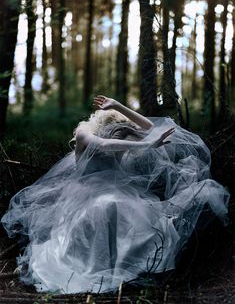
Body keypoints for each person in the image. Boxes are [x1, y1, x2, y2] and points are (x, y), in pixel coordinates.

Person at [1, 95, 230, 294]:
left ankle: (134, 267)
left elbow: (150, 128)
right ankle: (104, 269)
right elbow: (101, 144)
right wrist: (147, 145)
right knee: (106, 207)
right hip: (86, 195)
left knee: (130, 211)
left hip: (120, 191)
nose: (122, 136)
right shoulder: (84, 132)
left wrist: (119, 105)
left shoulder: (121, 132)